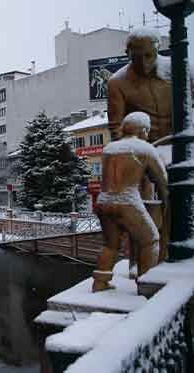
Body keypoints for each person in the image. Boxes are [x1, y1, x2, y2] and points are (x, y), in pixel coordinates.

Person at [92, 112, 168, 292]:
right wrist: (165, 201)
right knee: (150, 240)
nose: (147, 134)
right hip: (127, 202)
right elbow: (161, 179)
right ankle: (146, 284)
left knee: (110, 245)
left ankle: (100, 283)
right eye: (147, 130)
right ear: (142, 129)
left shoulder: (109, 149)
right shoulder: (145, 149)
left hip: (103, 202)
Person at [107, 28, 171, 143]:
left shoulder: (181, 69)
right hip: (145, 152)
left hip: (184, 148)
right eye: (136, 57)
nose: (143, 63)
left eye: (148, 55)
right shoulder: (117, 83)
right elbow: (117, 130)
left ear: (158, 49)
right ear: (127, 54)